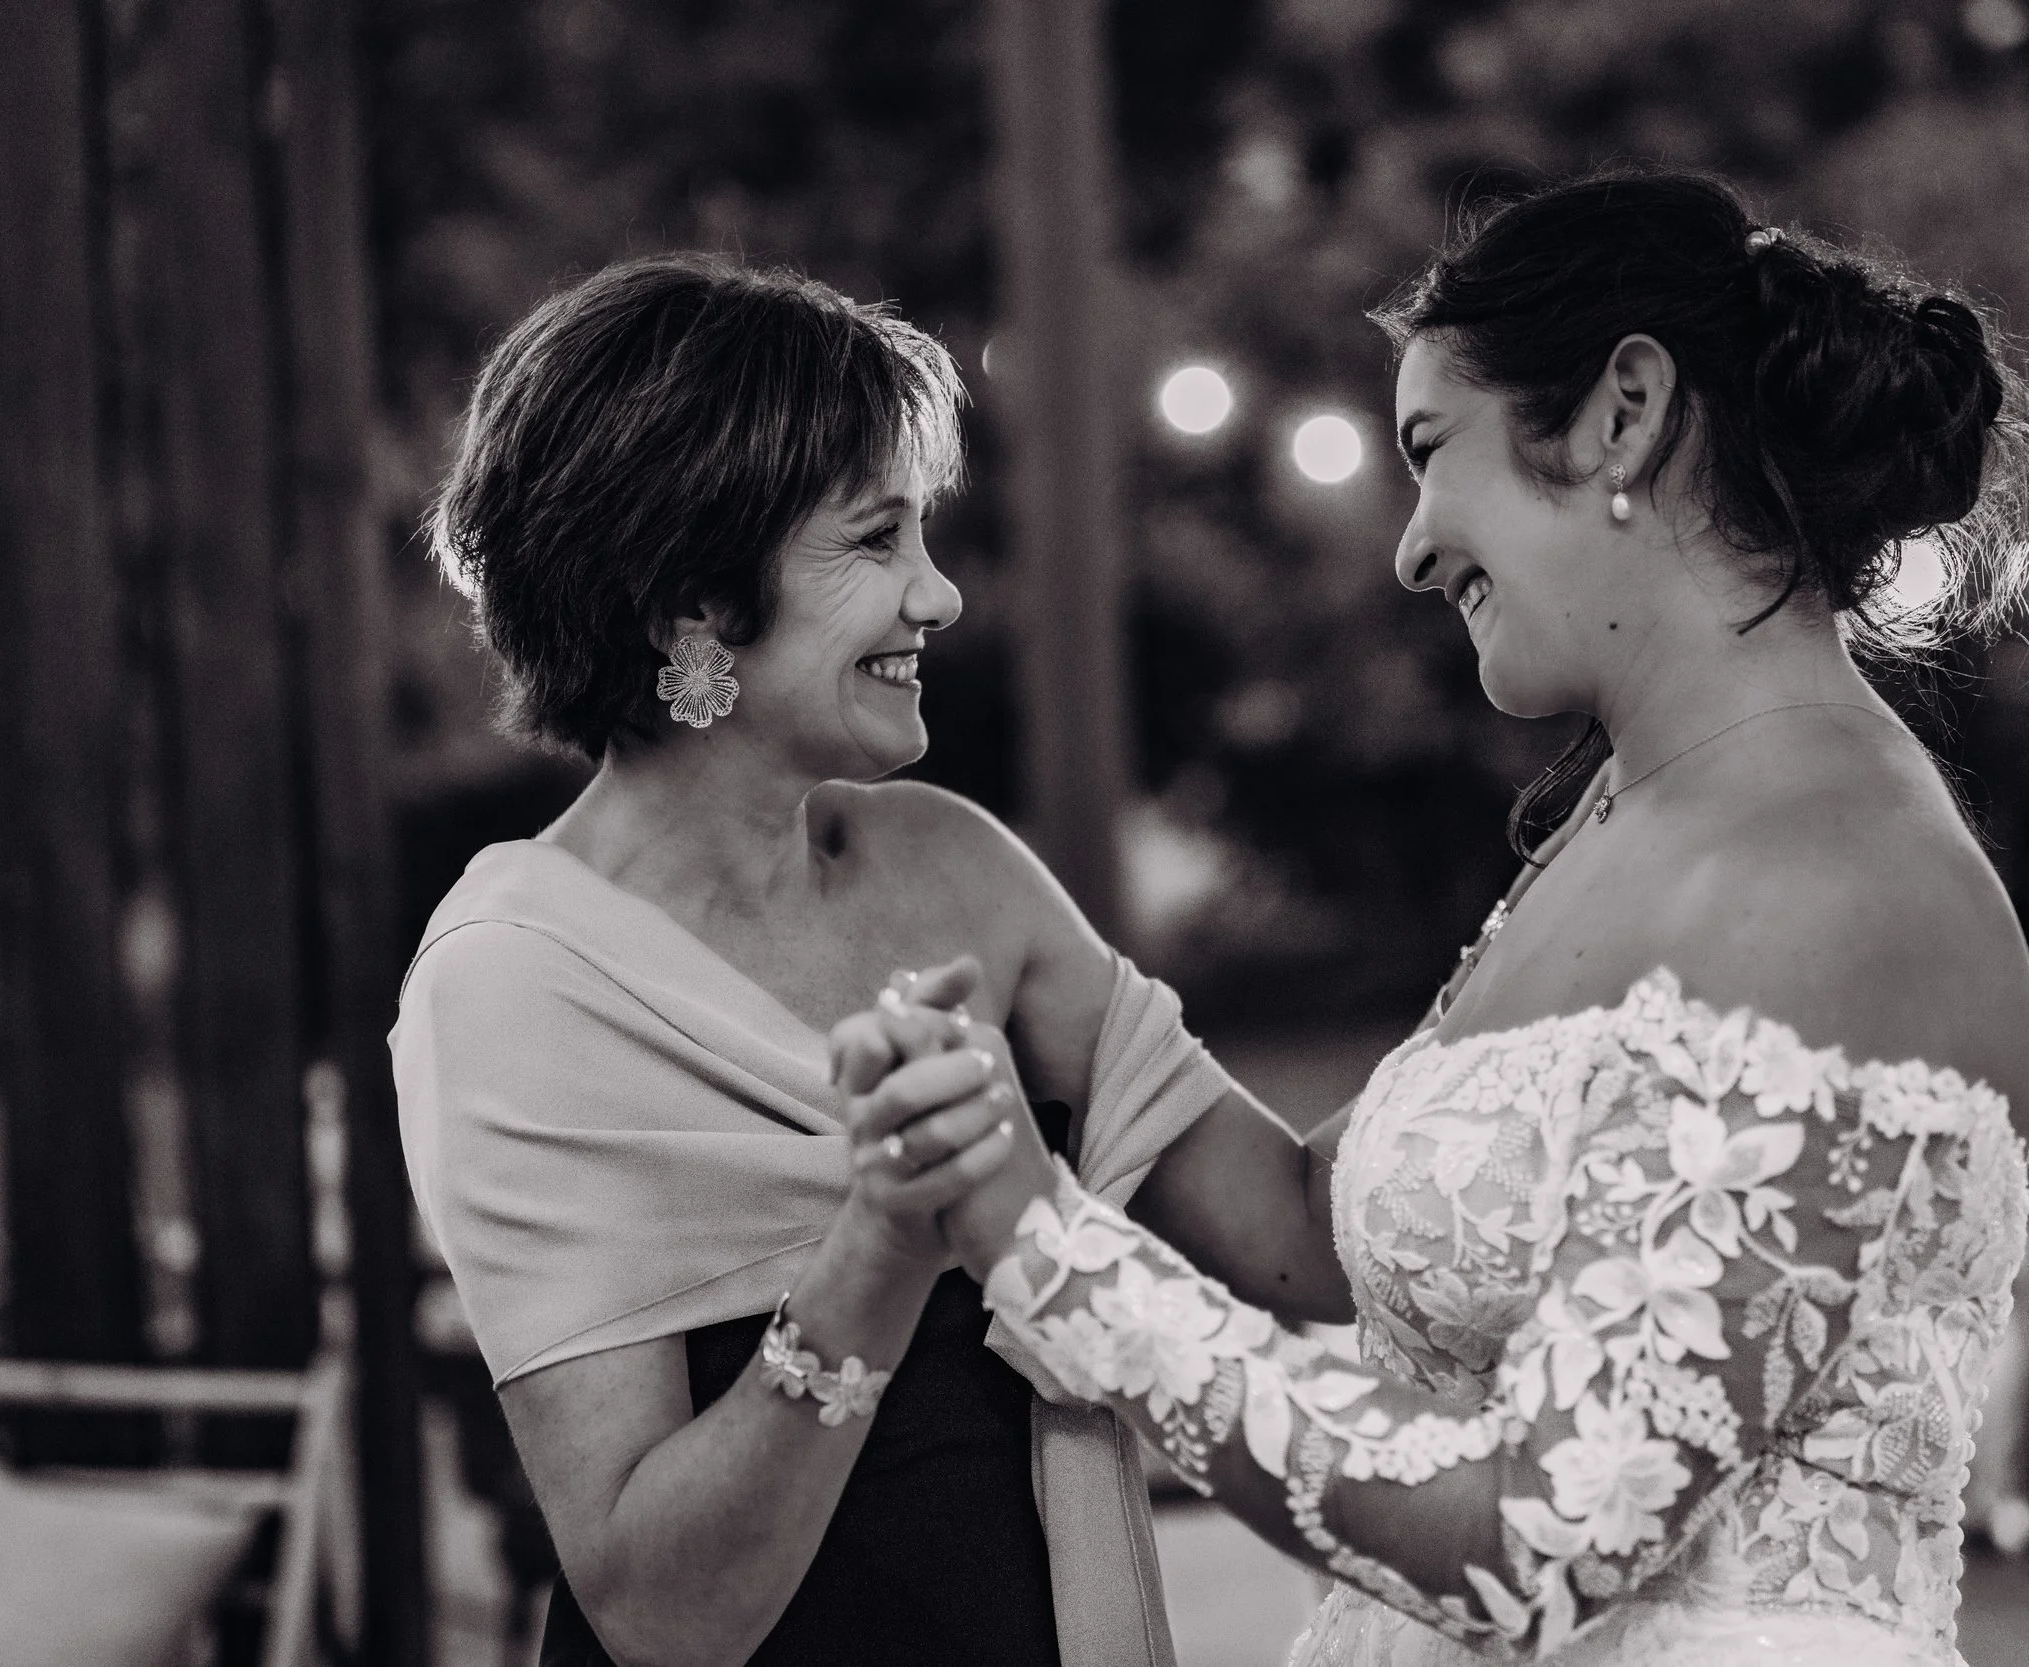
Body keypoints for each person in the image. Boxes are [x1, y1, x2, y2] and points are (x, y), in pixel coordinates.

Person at [839, 169, 2029, 1667]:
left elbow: (1541, 1544)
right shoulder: (1629, 818)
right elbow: (1310, 1230)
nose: (1411, 546)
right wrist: (1011, 924)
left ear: (1624, 411)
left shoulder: (1833, 877)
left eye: (1433, 450)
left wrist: (1041, 1243)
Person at [390, 255, 1344, 1667]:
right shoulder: (514, 980)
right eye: (875, 541)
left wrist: (1585, 908)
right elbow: (658, 1609)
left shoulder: (955, 865)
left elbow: (1301, 1239)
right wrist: (884, 1246)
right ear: (691, 609)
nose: (941, 596)